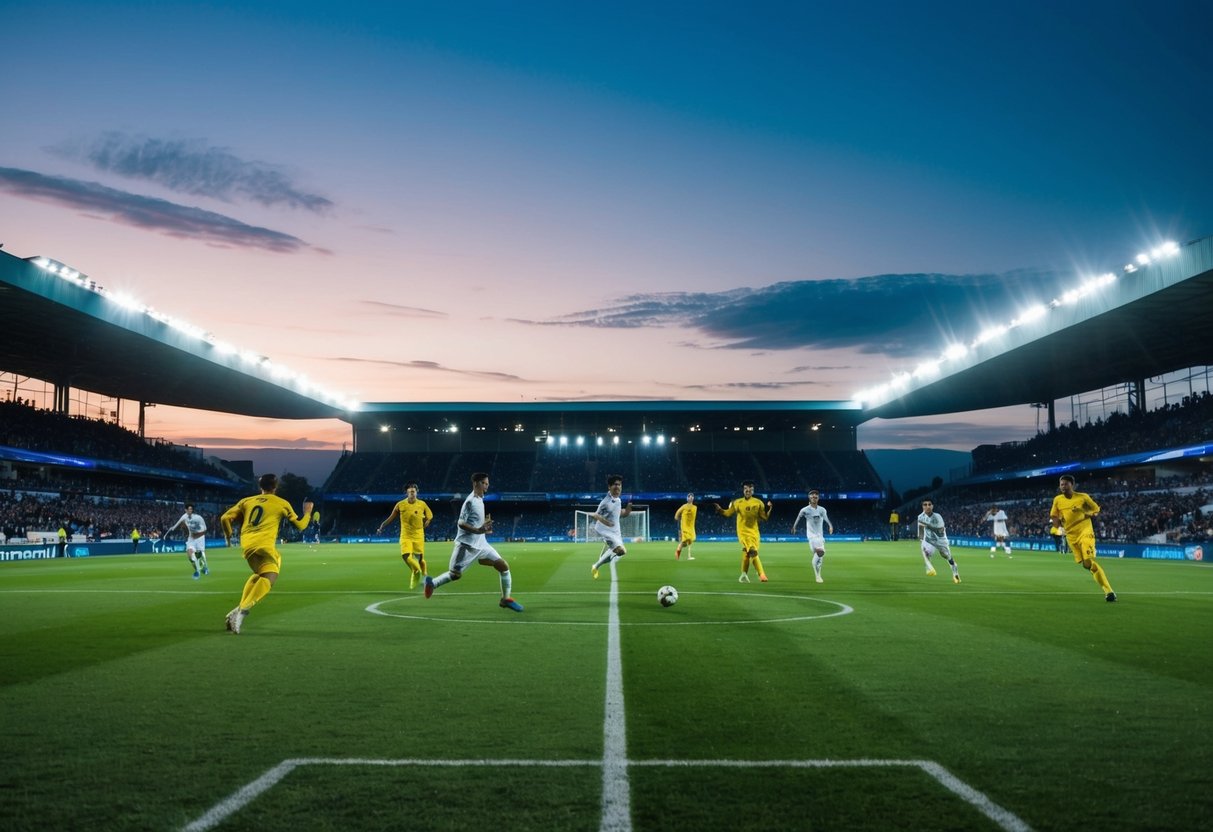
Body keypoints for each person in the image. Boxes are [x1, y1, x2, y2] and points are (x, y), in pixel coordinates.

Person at [219, 473, 314, 635]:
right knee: (271, 576)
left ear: (260, 486)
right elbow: (300, 526)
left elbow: (224, 518)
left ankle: (237, 610)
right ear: (276, 487)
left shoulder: (246, 501)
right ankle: (242, 611)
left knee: (260, 574)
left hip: (247, 545)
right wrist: (307, 513)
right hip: (264, 544)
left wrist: (228, 538)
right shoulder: (281, 503)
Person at [424, 473, 523, 612]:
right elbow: (461, 523)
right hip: (466, 546)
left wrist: (484, 527)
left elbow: (475, 522)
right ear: (476, 483)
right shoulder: (470, 501)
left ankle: (505, 599)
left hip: (481, 544)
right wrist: (478, 530)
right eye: (485, 483)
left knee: (503, 566)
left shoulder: (480, 500)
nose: (487, 487)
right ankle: (432, 583)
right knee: (455, 575)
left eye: (488, 484)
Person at [1049, 475, 1116, 602]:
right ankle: (1103, 583)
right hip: (1071, 535)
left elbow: (1096, 510)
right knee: (1086, 565)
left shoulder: (1083, 497)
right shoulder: (1057, 499)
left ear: (1072, 485)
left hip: (1085, 531)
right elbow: (1054, 515)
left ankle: (1109, 591)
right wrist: (1056, 527)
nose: (1063, 486)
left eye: (1066, 484)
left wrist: (1085, 513)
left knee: (1088, 560)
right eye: (1061, 484)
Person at [377, 481, 433, 589]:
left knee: (420, 558)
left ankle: (423, 574)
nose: (412, 490)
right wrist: (381, 526)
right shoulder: (400, 505)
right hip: (406, 535)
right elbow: (390, 518)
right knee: (406, 556)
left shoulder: (422, 504)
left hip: (418, 534)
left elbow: (430, 515)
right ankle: (417, 572)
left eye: (414, 489)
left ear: (417, 492)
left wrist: (428, 520)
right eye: (410, 489)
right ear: (406, 492)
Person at [714, 481, 772, 583]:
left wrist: (770, 508)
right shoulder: (737, 502)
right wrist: (720, 510)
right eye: (746, 488)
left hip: (754, 532)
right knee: (753, 551)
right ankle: (762, 574)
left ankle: (744, 573)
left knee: (747, 553)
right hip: (743, 533)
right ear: (743, 490)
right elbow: (728, 513)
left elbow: (765, 518)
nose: (747, 490)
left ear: (753, 491)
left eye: (750, 489)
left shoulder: (758, 503)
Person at [590, 474, 634, 578]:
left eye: (619, 485)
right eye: (615, 484)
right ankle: (607, 553)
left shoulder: (618, 500)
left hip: (615, 530)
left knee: (621, 552)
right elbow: (595, 515)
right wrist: (606, 522)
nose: (618, 487)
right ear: (609, 487)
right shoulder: (605, 502)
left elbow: (620, 513)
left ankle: (596, 565)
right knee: (620, 550)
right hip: (605, 530)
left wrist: (627, 510)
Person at [791, 489, 833, 583]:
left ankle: (818, 575)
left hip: (820, 536)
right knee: (820, 552)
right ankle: (817, 575)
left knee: (820, 559)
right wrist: (794, 527)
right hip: (812, 537)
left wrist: (830, 526)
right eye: (812, 496)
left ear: (818, 498)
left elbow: (826, 518)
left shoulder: (822, 510)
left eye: (816, 496)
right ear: (809, 498)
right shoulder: (805, 510)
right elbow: (799, 517)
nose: (814, 497)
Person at [917, 499, 961, 584]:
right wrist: (921, 538)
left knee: (947, 557)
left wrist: (927, 525)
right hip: (929, 540)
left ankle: (955, 574)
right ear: (922, 506)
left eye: (929, 504)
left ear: (932, 506)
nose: (927, 506)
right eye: (925, 505)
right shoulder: (920, 517)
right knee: (925, 552)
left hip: (941, 540)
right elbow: (920, 528)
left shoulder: (937, 516)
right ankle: (929, 568)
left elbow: (940, 529)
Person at [166, 503, 209, 579]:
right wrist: (172, 528)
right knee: (190, 556)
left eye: (191, 509)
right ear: (185, 510)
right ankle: (198, 570)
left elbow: (205, 528)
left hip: (200, 537)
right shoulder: (184, 516)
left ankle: (205, 567)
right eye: (189, 509)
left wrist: (199, 534)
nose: (190, 510)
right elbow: (177, 524)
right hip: (191, 538)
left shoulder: (198, 518)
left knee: (201, 553)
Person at [673, 492, 697, 560]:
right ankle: (679, 553)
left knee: (689, 542)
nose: (691, 497)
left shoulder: (695, 508)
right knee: (685, 541)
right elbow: (677, 513)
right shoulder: (684, 506)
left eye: (692, 497)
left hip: (691, 527)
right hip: (684, 527)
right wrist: (677, 518)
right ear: (687, 498)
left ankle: (687, 555)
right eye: (689, 496)